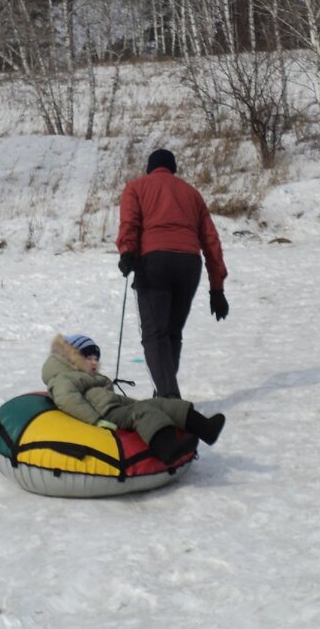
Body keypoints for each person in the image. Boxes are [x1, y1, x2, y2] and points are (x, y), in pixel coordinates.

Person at [117, 148, 228, 399]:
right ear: (173, 168)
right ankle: (164, 395)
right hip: (189, 264)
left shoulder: (137, 187)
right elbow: (211, 241)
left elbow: (130, 222)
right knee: (171, 333)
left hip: (153, 262)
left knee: (155, 334)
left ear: (149, 167)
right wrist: (217, 289)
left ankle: (168, 398)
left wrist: (127, 251)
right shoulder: (192, 193)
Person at [42, 334, 226, 464]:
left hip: (116, 407)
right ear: (71, 358)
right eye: (88, 357)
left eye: (96, 358)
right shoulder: (63, 378)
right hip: (106, 414)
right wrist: (96, 421)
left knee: (160, 403)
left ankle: (205, 428)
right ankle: (167, 448)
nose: (94, 362)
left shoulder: (87, 376)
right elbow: (67, 399)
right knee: (142, 412)